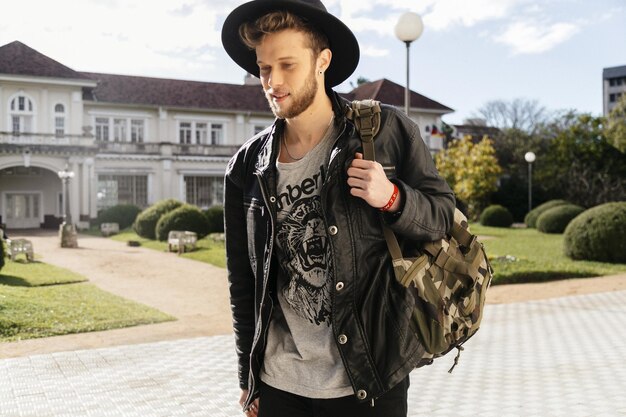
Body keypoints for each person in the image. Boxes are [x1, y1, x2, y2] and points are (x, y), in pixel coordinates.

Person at [221, 1, 455, 416]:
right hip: (279, 384)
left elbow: (441, 218)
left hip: (369, 379)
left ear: (322, 61)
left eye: (287, 65)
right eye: (263, 68)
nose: (272, 82)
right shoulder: (247, 166)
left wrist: (392, 198)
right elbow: (243, 282)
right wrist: (248, 376)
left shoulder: (385, 132)